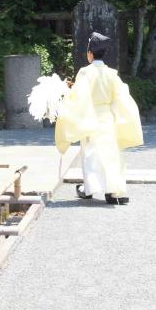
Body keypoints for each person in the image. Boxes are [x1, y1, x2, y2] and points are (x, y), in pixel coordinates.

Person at [55, 32, 143, 205]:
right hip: (107, 118)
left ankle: (89, 189)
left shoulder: (85, 72)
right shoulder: (111, 73)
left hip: (89, 116)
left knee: (90, 155)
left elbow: (79, 96)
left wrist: (66, 96)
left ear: (90, 53)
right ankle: (114, 191)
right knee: (111, 155)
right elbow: (121, 97)